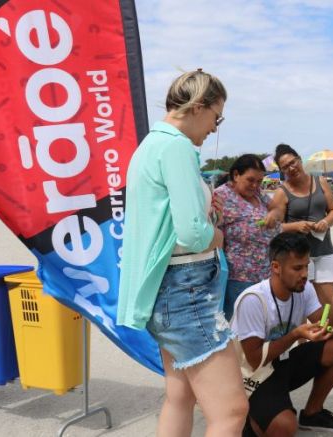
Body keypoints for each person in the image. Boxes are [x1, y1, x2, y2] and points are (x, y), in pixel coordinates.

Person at [117, 69, 248, 436]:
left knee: (180, 396)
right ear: (199, 106)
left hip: (168, 290)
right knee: (231, 412)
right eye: (216, 117)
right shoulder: (175, 146)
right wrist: (217, 235)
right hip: (186, 288)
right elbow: (192, 233)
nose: (214, 128)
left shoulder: (151, 145)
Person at [233, 232, 333, 436]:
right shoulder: (253, 300)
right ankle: (249, 418)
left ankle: (312, 413)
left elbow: (328, 330)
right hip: (252, 375)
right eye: (297, 268)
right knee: (284, 426)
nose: (304, 274)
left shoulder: (303, 288)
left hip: (281, 361)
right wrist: (294, 335)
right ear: (276, 267)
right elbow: (255, 360)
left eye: (306, 266)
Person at [214, 154, 283, 320]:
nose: (255, 185)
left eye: (259, 181)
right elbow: (214, 233)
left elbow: (278, 209)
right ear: (236, 175)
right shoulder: (220, 196)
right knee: (238, 324)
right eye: (250, 180)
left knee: (261, 323)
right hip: (238, 277)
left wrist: (273, 214)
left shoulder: (259, 194)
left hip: (265, 273)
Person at [270, 144, 333, 304]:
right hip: (297, 256)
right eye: (285, 167)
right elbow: (274, 227)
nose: (291, 168)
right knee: (302, 304)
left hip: (324, 250)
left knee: (330, 302)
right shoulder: (282, 192)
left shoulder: (320, 181)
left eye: (293, 162)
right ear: (282, 171)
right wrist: (296, 226)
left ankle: (328, 330)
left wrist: (325, 222)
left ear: (299, 160)